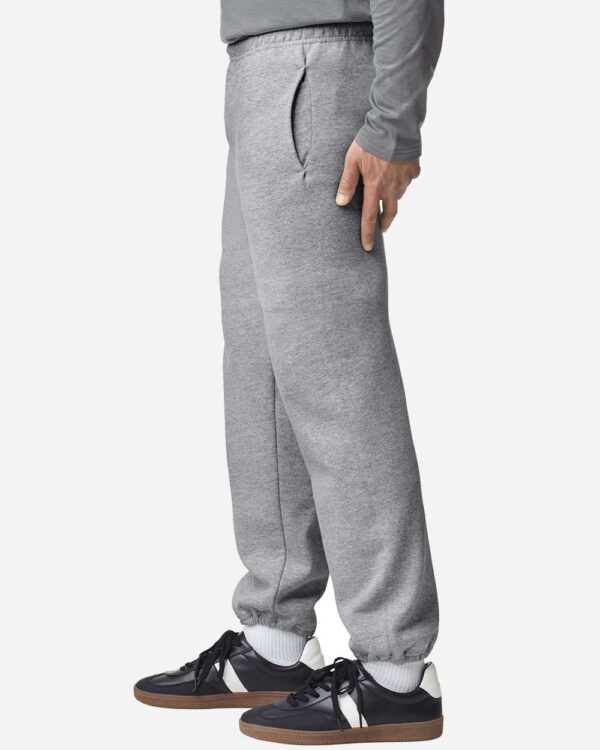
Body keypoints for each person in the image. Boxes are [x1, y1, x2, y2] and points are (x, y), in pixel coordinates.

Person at [135, 1, 444, 743]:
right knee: (261, 371)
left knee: (338, 375)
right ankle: (273, 638)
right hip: (261, 72)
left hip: (319, 68)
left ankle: (396, 669)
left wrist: (394, 120)